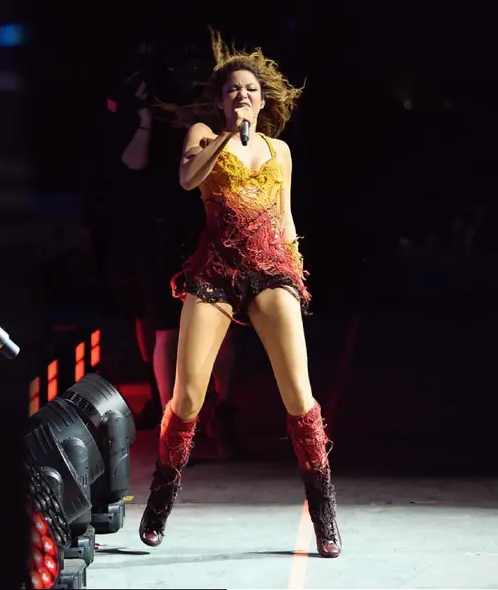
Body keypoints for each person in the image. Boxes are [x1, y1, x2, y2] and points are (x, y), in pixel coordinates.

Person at [137, 30, 341, 558]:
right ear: (221, 100)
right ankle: (161, 497)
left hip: (270, 268)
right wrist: (228, 138)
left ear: (263, 98)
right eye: (233, 90)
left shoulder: (280, 151)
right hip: (216, 270)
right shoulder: (205, 134)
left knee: (298, 394)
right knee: (187, 395)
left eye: (250, 89)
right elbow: (188, 180)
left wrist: (295, 272)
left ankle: (323, 510)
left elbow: (285, 217)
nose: (242, 96)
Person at [111, 44, 241, 459]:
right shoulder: (146, 116)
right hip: (157, 231)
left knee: (221, 323)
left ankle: (223, 409)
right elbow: (132, 165)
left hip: (206, 226)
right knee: (166, 329)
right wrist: (146, 120)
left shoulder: (212, 119)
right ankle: (175, 425)